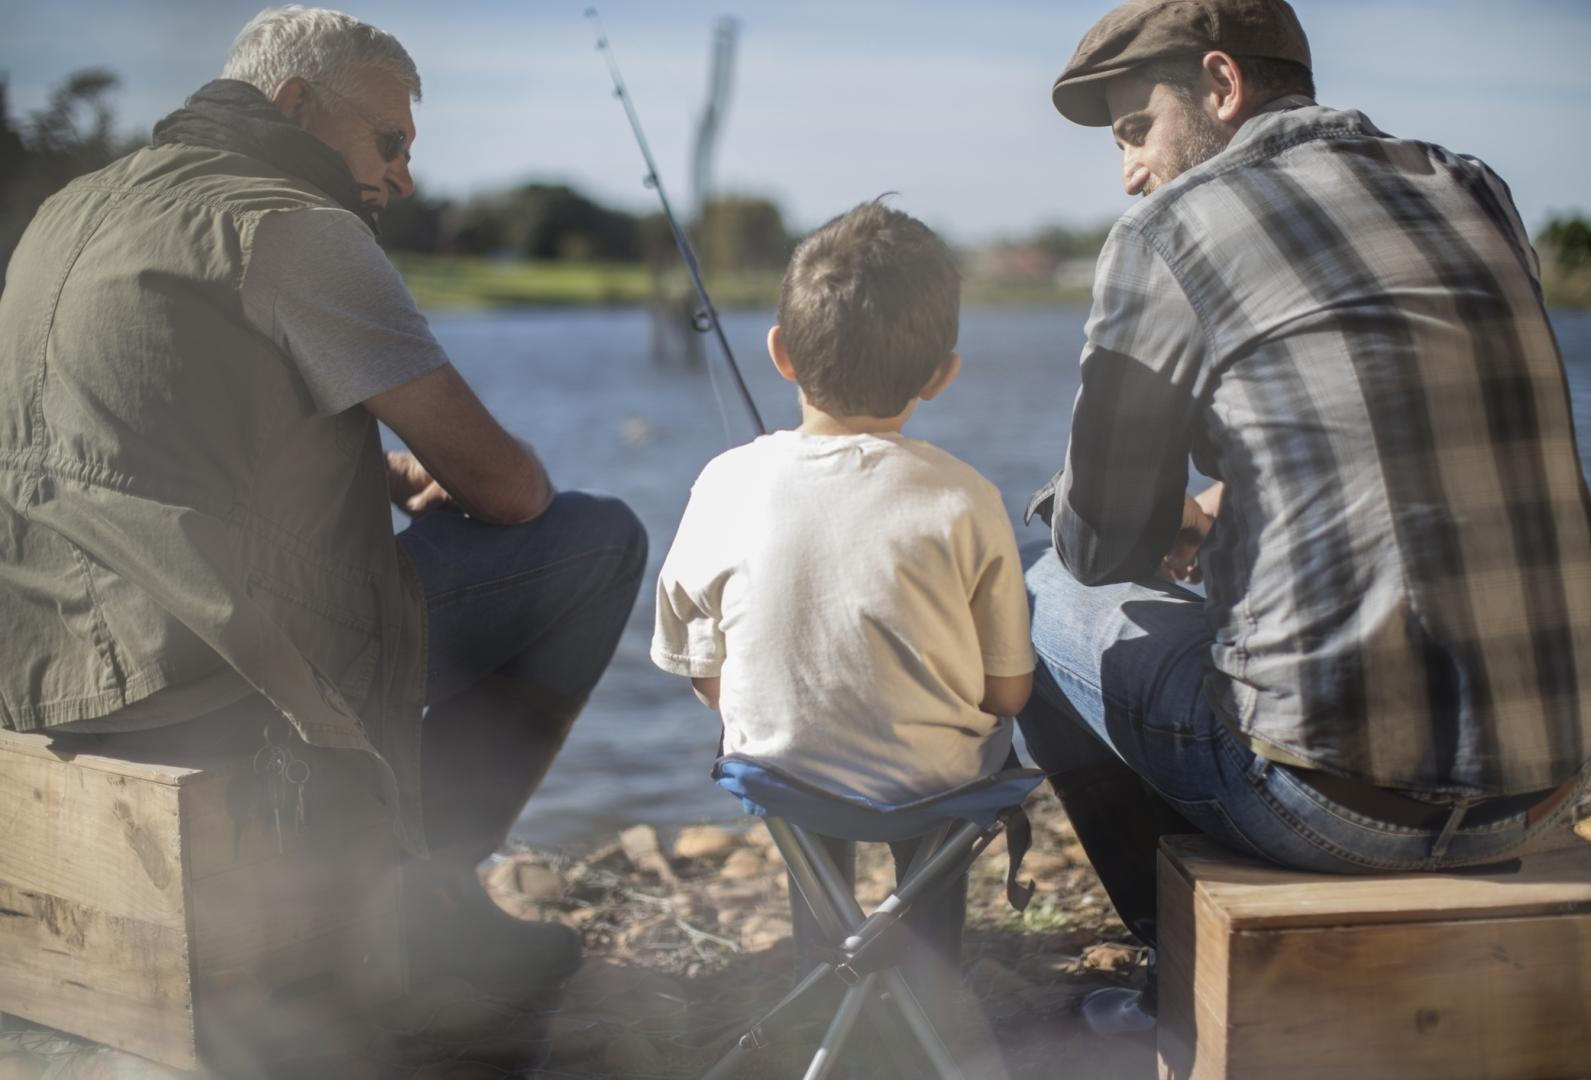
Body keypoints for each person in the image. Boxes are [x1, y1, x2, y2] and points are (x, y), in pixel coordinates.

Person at [0, 6, 646, 997]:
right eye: (388, 141)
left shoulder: (68, 212)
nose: (402, 175)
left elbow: (127, 440)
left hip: (44, 658)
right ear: (296, 103)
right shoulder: (293, 225)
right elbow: (509, 490)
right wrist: (457, 481)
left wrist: (380, 475)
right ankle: (418, 897)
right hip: (216, 660)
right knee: (597, 541)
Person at [1019, 0, 1591, 1023]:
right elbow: (1404, 435)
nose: (1128, 173)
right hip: (1547, 783)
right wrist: (1223, 505)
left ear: (1218, 86)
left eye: (1134, 131)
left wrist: (1132, 511)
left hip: (1328, 809)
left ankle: (1181, 978)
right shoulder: (1471, 188)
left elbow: (1103, 540)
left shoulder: (1166, 231)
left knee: (1043, 593)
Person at [649, 200, 1036, 1007]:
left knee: (797, 752)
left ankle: (823, 976)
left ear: (781, 354)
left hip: (781, 774)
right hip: (931, 787)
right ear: (941, 374)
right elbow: (1007, 694)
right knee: (947, 763)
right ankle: (930, 992)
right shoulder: (967, 498)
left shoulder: (725, 480)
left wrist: (756, 702)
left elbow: (691, 657)